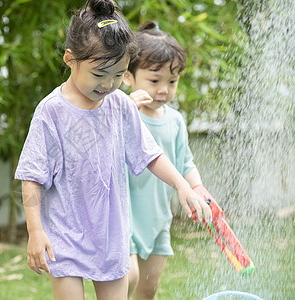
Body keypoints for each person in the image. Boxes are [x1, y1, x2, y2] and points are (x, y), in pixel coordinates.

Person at [14, 1, 211, 299]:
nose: (108, 84)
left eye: (118, 74)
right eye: (99, 74)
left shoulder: (119, 105)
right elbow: (32, 176)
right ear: (70, 59)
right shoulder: (51, 112)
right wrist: (35, 231)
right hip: (65, 236)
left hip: (110, 238)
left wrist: (183, 185)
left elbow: (150, 154)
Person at [122, 21, 205, 300]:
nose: (163, 90)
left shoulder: (176, 121)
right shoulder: (122, 114)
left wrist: (198, 189)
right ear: (127, 77)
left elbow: (185, 164)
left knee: (149, 288)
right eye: (154, 80)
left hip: (157, 219)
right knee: (128, 277)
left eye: (172, 82)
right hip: (124, 217)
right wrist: (125, 112)